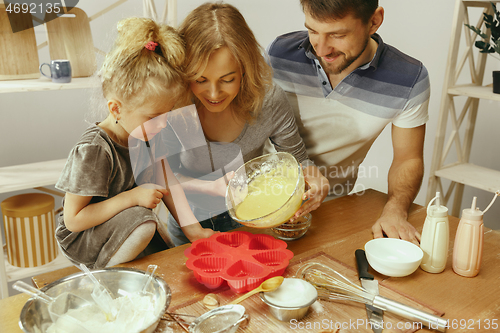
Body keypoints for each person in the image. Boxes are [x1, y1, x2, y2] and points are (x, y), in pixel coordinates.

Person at [55, 17, 215, 268]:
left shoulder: (148, 133)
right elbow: (73, 220)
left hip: (125, 220)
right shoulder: (95, 150)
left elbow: (167, 182)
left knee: (149, 228)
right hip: (85, 237)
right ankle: (106, 276)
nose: (162, 124)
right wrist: (132, 197)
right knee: (144, 221)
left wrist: (195, 231)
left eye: (166, 115)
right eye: (153, 117)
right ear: (116, 109)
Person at [164, 2, 329, 246]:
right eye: (199, 79)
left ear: (245, 69)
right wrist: (208, 188)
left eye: (227, 79)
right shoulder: (171, 102)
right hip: (189, 223)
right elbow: (160, 176)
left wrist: (316, 179)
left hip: (251, 222)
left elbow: (296, 161)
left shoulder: (269, 99)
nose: (213, 93)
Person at [266, 0, 430, 245]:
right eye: (312, 31)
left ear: (374, 21)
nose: (321, 50)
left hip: (332, 210)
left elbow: (408, 158)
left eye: (338, 35)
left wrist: (395, 209)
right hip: (260, 203)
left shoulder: (408, 79)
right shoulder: (279, 54)